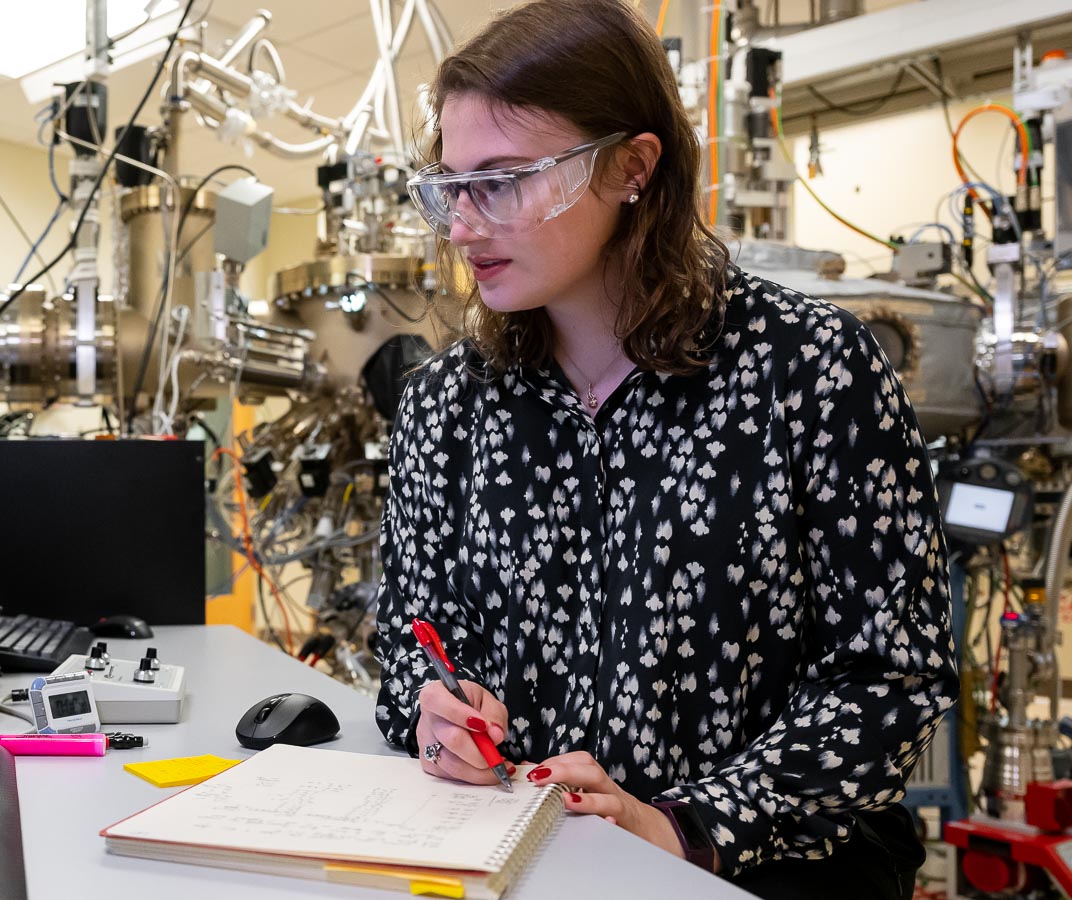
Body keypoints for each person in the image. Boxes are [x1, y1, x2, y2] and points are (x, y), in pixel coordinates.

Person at [372, 1, 957, 896]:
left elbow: (893, 677)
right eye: (452, 186)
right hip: (525, 862)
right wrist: (437, 709)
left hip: (766, 875)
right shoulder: (446, 406)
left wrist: (689, 826)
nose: (462, 227)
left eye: (504, 180)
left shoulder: (808, 370)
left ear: (632, 167)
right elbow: (411, 635)